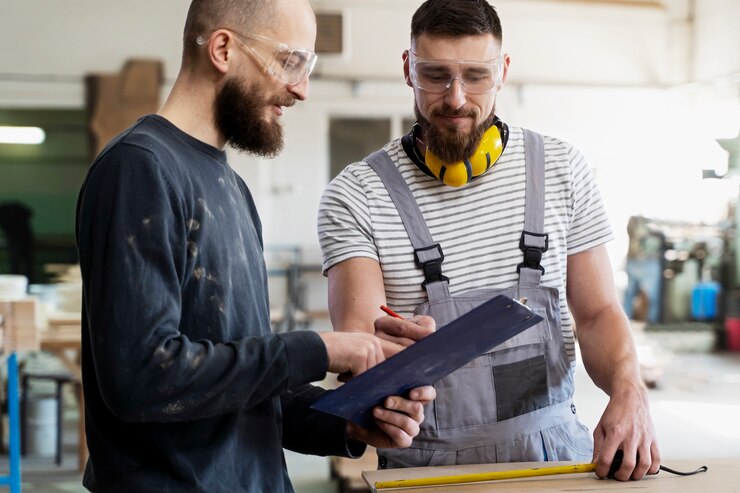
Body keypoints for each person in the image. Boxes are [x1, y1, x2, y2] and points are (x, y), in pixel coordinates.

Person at [75, 0, 435, 491]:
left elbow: (243, 385)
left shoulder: (232, 188)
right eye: (291, 63)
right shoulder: (139, 169)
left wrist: (345, 423)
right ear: (223, 48)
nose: (301, 89)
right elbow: (141, 377)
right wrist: (318, 350)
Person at [318, 0, 659, 482]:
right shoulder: (356, 195)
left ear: (502, 71)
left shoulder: (562, 170)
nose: (456, 99)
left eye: (475, 76)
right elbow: (360, 345)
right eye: (435, 74)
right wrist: (375, 373)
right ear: (407, 69)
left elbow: (599, 312)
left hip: (556, 457)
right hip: (425, 468)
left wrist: (630, 389)